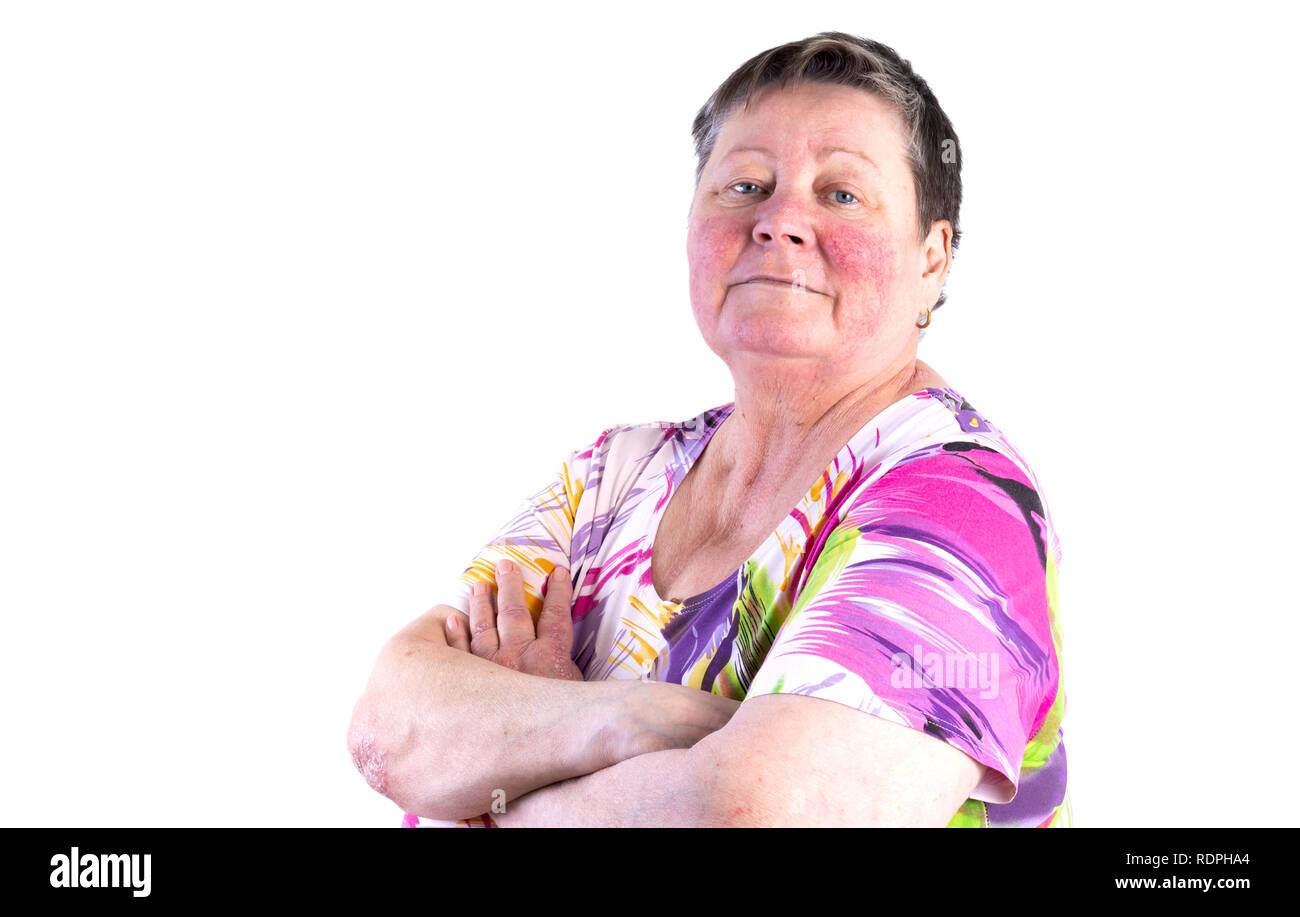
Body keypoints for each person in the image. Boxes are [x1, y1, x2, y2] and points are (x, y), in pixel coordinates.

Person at [348, 31, 1068, 828]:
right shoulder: (612, 476)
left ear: (932, 257)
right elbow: (387, 730)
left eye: (841, 194)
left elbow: (752, 812)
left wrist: (501, 765)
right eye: (745, 185)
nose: (779, 221)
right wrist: (623, 719)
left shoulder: (964, 506)